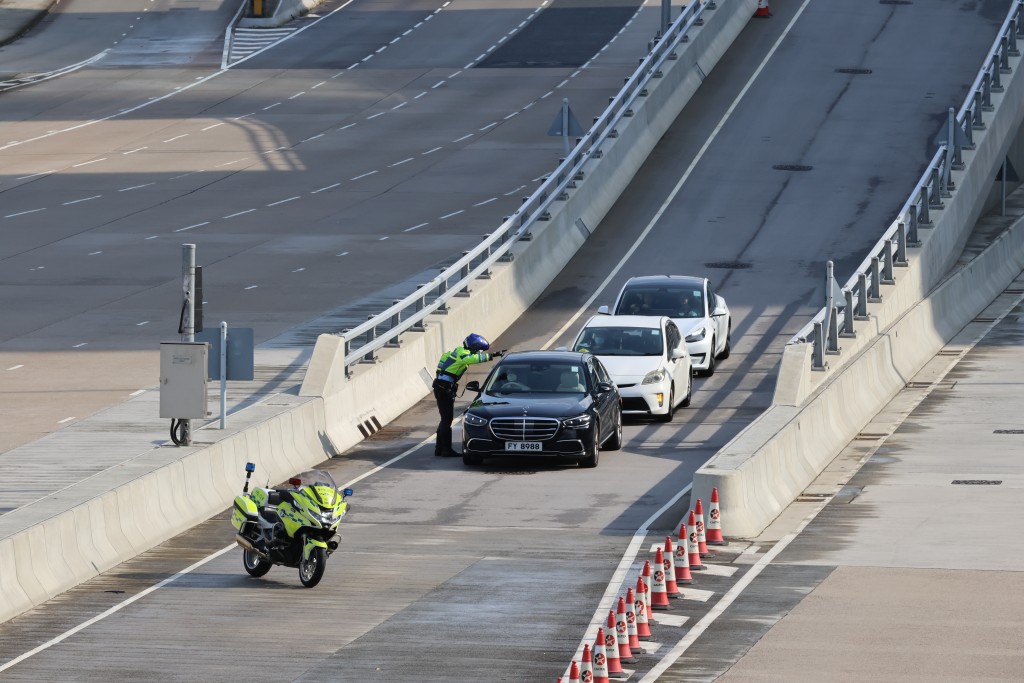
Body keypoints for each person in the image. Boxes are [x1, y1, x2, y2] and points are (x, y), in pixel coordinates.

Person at [433, 333, 504, 457]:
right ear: (473, 347)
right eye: (477, 350)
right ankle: (446, 450)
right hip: (444, 389)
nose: (477, 353)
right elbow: (473, 359)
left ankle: (439, 449)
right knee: (447, 419)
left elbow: (439, 369)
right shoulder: (463, 353)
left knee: (444, 419)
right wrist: (493, 355)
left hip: (440, 387)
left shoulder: (451, 353)